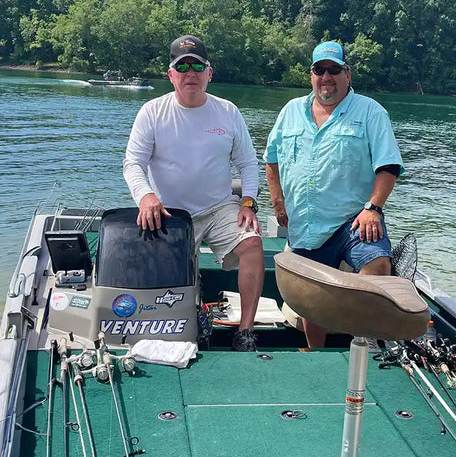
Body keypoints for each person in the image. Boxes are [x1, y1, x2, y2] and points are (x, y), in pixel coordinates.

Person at [124, 35, 264, 351]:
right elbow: (133, 163)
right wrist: (146, 196)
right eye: (182, 66)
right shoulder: (151, 112)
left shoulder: (227, 112)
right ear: (171, 74)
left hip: (218, 208)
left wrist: (248, 202)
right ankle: (191, 318)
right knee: (171, 277)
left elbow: (248, 164)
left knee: (253, 243)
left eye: (197, 66)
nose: (190, 73)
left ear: (209, 73)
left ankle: (245, 332)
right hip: (170, 215)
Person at [264, 41, 404, 348]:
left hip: (354, 220)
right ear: (311, 75)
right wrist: (278, 201)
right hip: (305, 224)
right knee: (312, 293)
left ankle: (367, 344)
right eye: (319, 70)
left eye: (334, 69)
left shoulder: (370, 112)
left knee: (378, 264)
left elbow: (389, 167)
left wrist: (373, 208)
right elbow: (271, 158)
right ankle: (317, 354)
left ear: (347, 74)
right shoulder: (290, 112)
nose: (326, 76)